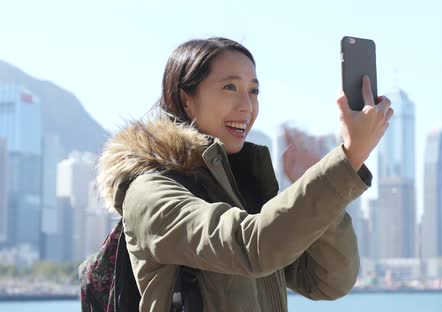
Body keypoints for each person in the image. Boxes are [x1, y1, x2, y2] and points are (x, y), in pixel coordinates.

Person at [96, 37, 393, 311]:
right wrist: (349, 158)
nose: (247, 106)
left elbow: (329, 281)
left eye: (254, 91)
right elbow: (251, 246)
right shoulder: (149, 192)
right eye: (230, 87)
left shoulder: (244, 191)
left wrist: (316, 183)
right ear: (186, 98)